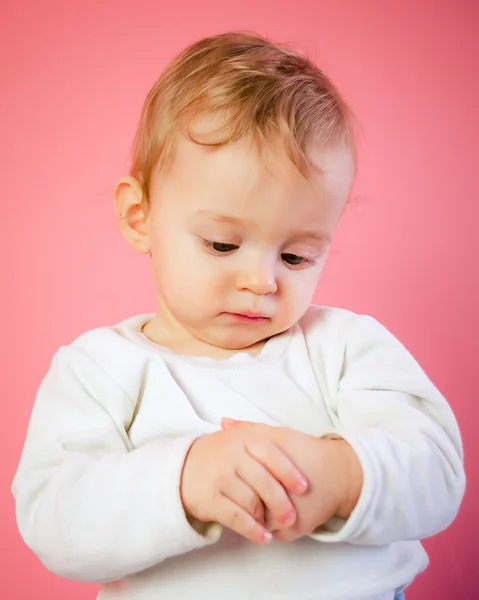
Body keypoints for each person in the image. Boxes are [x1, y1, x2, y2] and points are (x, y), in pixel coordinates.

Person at [12, 32, 465, 600]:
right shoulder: (100, 369)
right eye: (223, 245)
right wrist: (183, 479)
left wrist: (343, 474)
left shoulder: (344, 346)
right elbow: (55, 520)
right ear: (139, 216)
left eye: (297, 255)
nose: (263, 280)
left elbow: (438, 473)